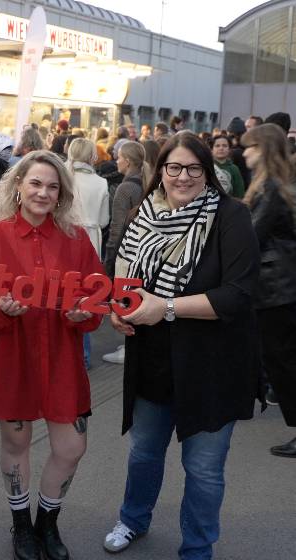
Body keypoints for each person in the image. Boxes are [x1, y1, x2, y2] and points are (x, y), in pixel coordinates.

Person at [103, 132, 260, 559]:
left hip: (212, 365)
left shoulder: (230, 217)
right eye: (174, 167)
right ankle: (133, 519)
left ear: (207, 172)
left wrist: (166, 306)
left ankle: (197, 547)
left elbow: (239, 295)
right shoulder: (143, 214)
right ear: (161, 171)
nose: (183, 177)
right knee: (144, 453)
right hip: (153, 360)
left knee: (204, 469)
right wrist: (120, 306)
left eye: (194, 168)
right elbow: (127, 276)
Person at [0, 150, 104, 560]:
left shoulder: (77, 239)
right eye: (36, 184)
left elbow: (95, 297)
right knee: (16, 442)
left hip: (62, 355)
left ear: (61, 193)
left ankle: (48, 521)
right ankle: (21, 525)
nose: (43, 193)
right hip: (14, 355)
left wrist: (84, 314)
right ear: (18, 186)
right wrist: (0, 312)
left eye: (52, 186)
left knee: (71, 447)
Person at [241, 123, 296, 457]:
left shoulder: (270, 188)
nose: (244, 151)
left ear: (263, 149)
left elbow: (253, 236)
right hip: (280, 286)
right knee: (282, 360)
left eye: (250, 146)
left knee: (284, 362)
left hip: (277, 289)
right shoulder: (275, 184)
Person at [102, 141, 149, 366]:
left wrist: (110, 260)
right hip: (144, 252)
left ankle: (129, 348)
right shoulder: (146, 182)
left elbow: (118, 228)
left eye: (119, 156)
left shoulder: (125, 188)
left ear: (128, 161)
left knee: (124, 303)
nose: (116, 159)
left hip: (126, 254)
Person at [211, 134, 245, 199]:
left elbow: (239, 193)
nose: (221, 148)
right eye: (217, 146)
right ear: (212, 149)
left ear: (229, 149)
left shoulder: (234, 169)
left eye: (225, 146)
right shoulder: (206, 167)